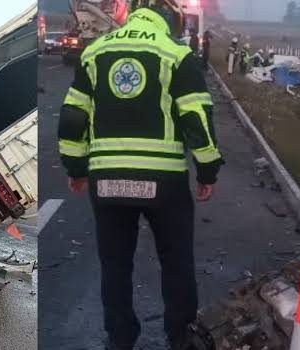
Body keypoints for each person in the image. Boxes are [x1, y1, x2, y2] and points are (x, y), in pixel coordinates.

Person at [58, 1, 224, 349]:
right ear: (169, 21)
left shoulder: (95, 52)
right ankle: (180, 336)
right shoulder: (176, 55)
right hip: (165, 183)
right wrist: (207, 170)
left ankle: (119, 339)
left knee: (115, 265)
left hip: (107, 180)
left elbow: (73, 117)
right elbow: (196, 120)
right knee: (176, 261)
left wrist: (76, 167)